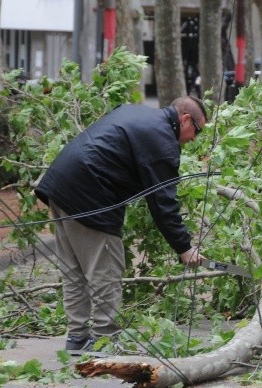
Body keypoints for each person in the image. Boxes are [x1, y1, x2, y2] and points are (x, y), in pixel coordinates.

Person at [35, 96, 207, 355]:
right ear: (185, 119)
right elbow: (162, 201)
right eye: (197, 130)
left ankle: (77, 338)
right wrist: (184, 247)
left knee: (75, 270)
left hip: (61, 184)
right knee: (106, 268)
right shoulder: (162, 140)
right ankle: (105, 340)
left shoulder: (137, 113)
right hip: (89, 193)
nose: (194, 139)